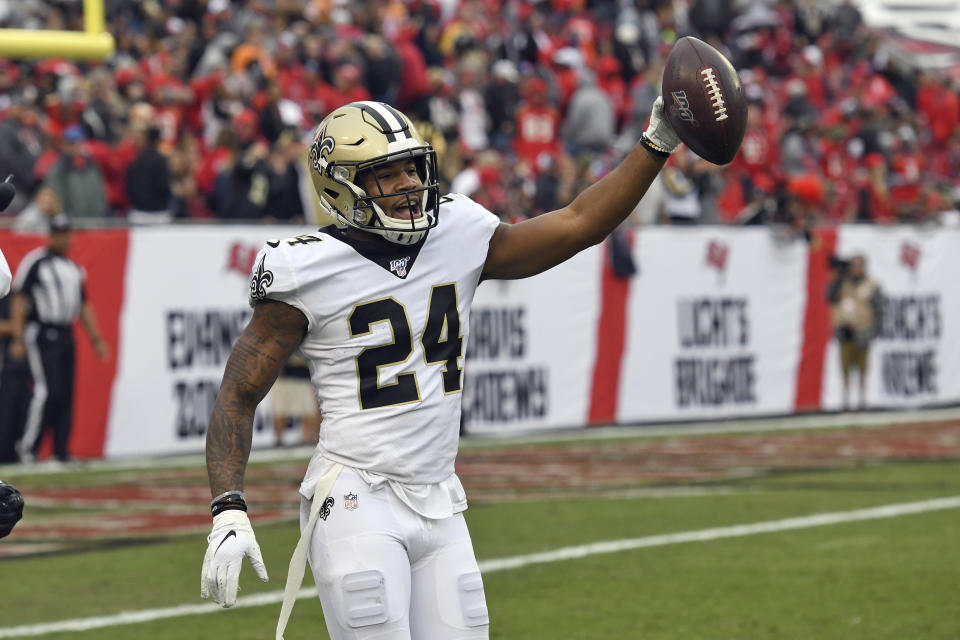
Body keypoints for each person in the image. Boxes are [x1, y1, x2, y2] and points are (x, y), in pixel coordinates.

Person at [200, 99, 680, 638]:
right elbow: (238, 394)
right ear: (340, 188)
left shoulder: (458, 228)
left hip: (440, 497)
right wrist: (228, 508)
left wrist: (656, 143)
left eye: (412, 167)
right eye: (387, 174)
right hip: (358, 493)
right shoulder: (304, 267)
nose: (409, 184)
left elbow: (577, 223)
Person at [8, 214, 110, 463]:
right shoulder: (36, 262)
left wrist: (96, 339)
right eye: (58, 233)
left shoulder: (74, 268)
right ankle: (28, 448)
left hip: (66, 333)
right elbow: (19, 298)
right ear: (50, 235)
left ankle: (61, 451)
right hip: (42, 333)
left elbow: (83, 305)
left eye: (66, 233)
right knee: (46, 392)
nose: (63, 238)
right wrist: (19, 337)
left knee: (66, 393)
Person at [827, 253, 883, 411]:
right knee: (845, 369)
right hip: (845, 331)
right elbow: (829, 296)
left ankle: (862, 402)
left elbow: (880, 308)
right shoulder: (841, 282)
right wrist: (837, 275)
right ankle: (846, 402)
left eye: (858, 265)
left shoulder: (871, 284)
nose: (855, 268)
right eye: (853, 265)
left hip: (863, 331)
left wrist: (875, 330)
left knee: (862, 370)